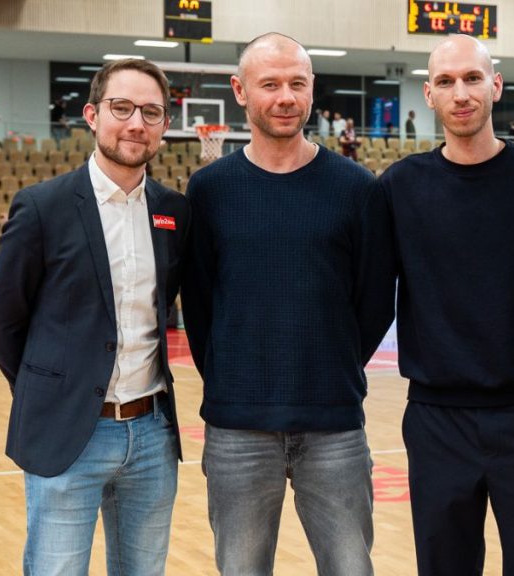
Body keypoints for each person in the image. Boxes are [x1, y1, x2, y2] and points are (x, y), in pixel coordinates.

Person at [362, 34, 514, 575]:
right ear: (429, 95)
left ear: (495, 86)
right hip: (437, 421)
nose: (461, 93)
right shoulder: (400, 187)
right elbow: (367, 296)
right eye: (446, 82)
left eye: (472, 79)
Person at [181, 32, 380, 576]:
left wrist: (332, 365)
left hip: (334, 425)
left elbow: (372, 300)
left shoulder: (356, 187)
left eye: (297, 83)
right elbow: (198, 304)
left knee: (351, 569)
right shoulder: (210, 190)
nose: (285, 96)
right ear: (240, 91)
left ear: (312, 89)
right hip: (237, 428)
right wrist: (232, 376)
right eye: (270, 84)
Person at [0, 58, 189, 575]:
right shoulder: (41, 207)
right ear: (92, 115)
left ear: (164, 126)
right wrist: (53, 390)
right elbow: (3, 321)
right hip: (68, 433)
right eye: (122, 108)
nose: (136, 123)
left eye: (151, 112)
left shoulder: (173, 213)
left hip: (151, 435)